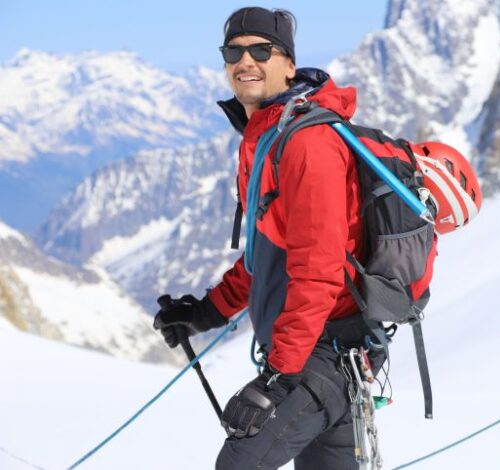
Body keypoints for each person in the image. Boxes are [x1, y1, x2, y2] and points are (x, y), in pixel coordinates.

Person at [152, 6, 380, 469]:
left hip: (323, 352)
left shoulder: (307, 143)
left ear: (289, 65)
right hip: (325, 352)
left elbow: (318, 269)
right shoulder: (267, 137)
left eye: (261, 50)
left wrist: (280, 373)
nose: (245, 61)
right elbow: (269, 253)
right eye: (233, 52)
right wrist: (203, 313)